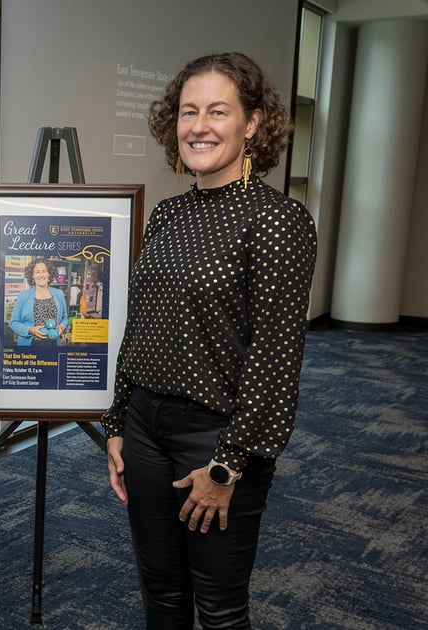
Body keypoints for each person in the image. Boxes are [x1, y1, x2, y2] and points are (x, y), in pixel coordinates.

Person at [101, 52, 317, 629]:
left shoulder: (278, 221)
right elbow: (140, 326)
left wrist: (227, 466)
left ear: (251, 124)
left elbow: (275, 360)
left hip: (217, 437)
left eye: (218, 111)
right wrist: (118, 424)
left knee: (219, 610)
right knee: (162, 596)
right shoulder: (169, 214)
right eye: (188, 111)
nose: (199, 126)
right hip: (145, 429)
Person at [8, 257, 69, 346]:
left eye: (44, 271)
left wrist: (62, 327)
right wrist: (30, 330)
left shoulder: (59, 294)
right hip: (30, 345)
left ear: (49, 274)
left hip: (54, 344)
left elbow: (64, 318)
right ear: (32, 275)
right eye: (37, 272)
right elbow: (13, 323)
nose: (41, 275)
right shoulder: (24, 296)